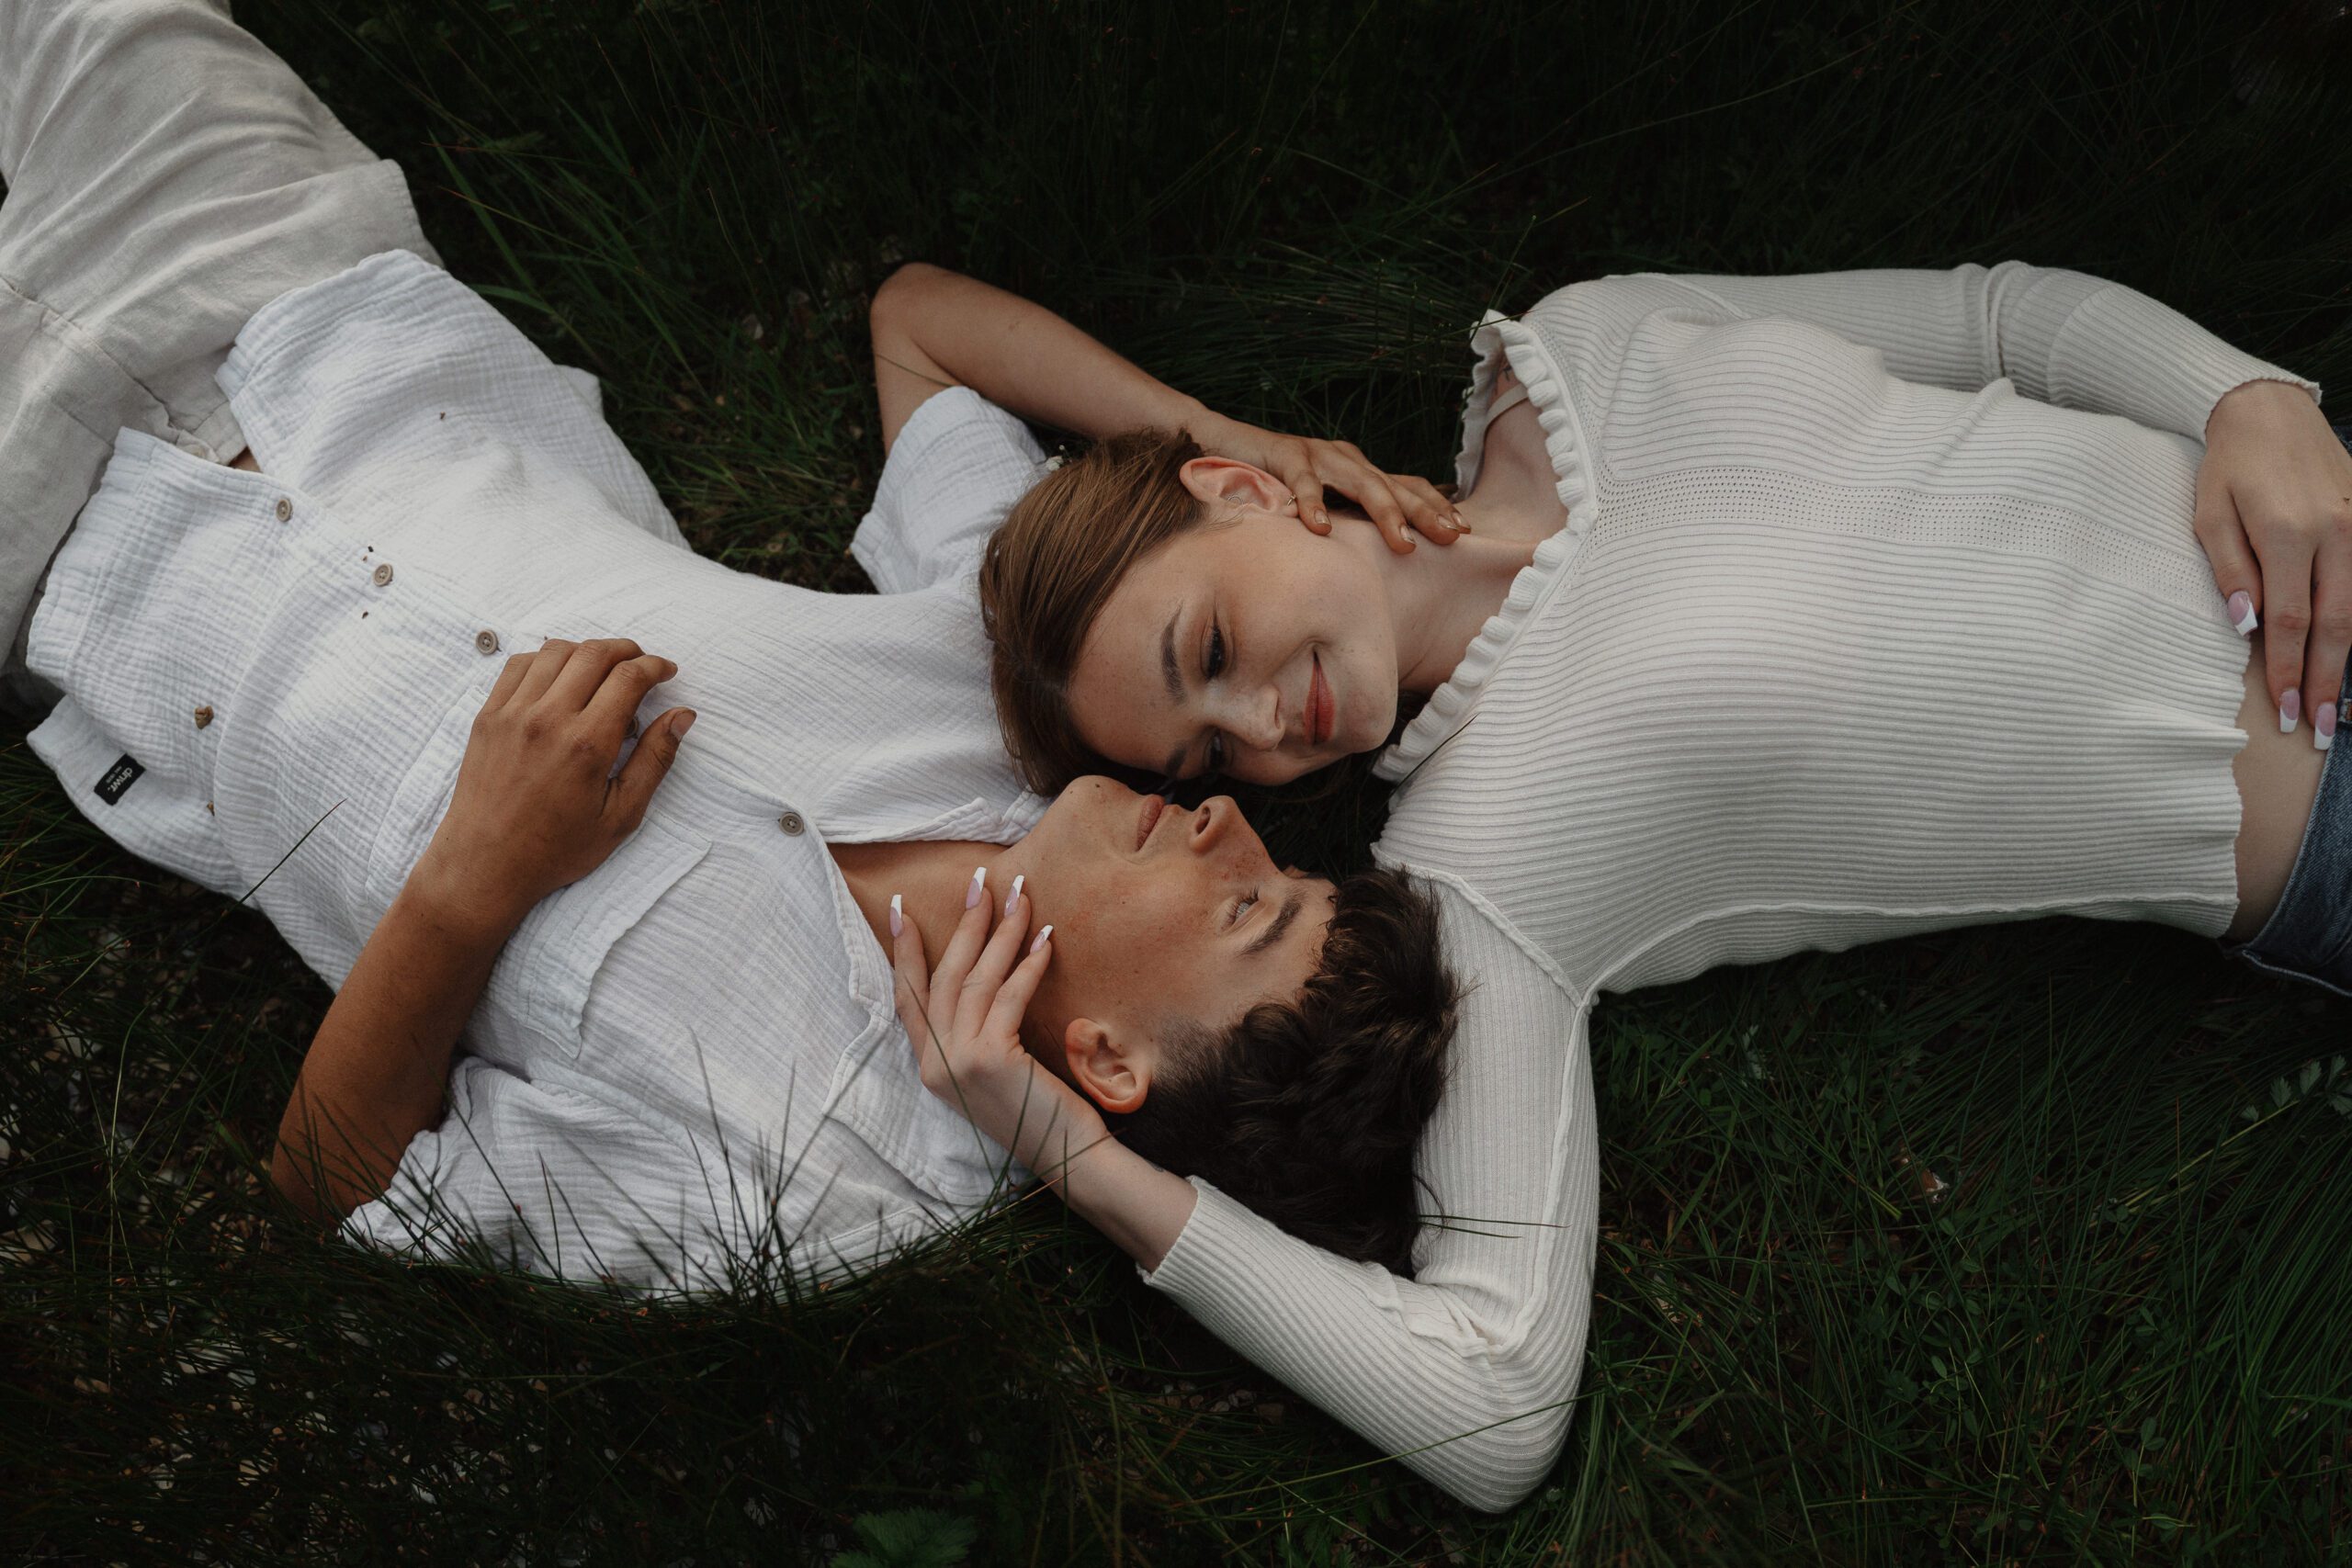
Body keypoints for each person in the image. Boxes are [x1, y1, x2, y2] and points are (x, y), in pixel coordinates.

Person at [1, 1, 1462, 1314]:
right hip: (292, 289)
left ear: (1111, 1065)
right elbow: (922, 333)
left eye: (1250, 912)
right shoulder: (1049, 709)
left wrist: (476, 880)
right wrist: (1222, 439)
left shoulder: (805, 1177)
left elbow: (328, 1193)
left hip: (66, 558)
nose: (1229, 822)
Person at [854, 258, 2347, 1509]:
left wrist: (2247, 397)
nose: (1262, 735)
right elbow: (1492, 1405)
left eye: (1213, 653)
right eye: (1206, 755)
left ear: (1244, 486)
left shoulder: (1575, 345)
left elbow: (1997, 321)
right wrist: (1063, 1146)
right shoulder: (1481, 864)